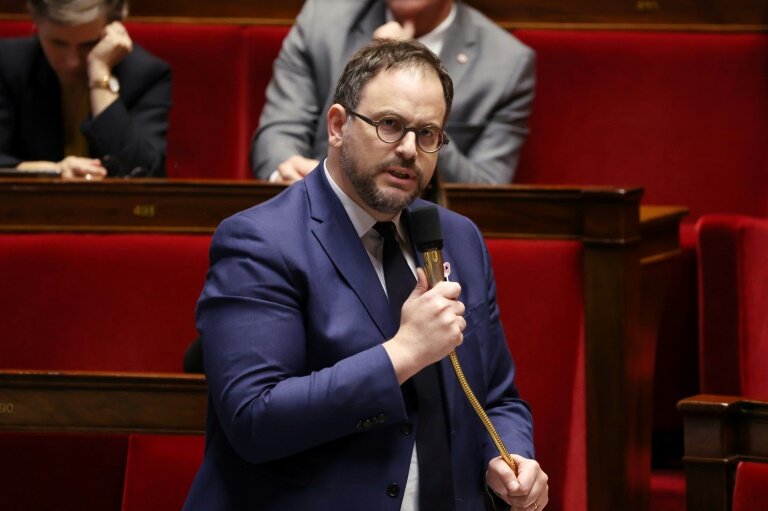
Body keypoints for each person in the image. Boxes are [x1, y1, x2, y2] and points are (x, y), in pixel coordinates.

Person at [185, 39, 548, 511]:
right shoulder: (261, 241)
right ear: (337, 126)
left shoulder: (458, 239)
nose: (409, 150)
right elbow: (255, 421)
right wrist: (402, 353)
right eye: (390, 125)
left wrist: (512, 456)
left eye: (428, 134)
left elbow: (498, 397)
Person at [251, 0, 535, 185]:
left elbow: (487, 189)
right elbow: (277, 134)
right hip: (314, 214)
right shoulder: (322, 20)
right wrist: (287, 172)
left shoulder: (506, 64)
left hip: (416, 228)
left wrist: (422, 109)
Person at [0, 0, 171, 178]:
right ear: (35, 21)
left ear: (115, 28)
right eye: (58, 43)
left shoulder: (146, 74)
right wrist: (54, 171)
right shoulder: (6, 63)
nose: (72, 62)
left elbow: (143, 174)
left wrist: (99, 75)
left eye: (89, 44)